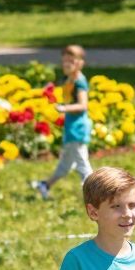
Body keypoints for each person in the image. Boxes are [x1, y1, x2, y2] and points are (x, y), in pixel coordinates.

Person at [33, 44, 91, 199]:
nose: (66, 65)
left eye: (70, 61)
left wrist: (64, 109)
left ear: (80, 63)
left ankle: (96, 195)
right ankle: (45, 185)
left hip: (77, 129)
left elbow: (83, 105)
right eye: (64, 61)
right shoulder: (70, 79)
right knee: (65, 164)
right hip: (71, 127)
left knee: (83, 165)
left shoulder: (80, 82)